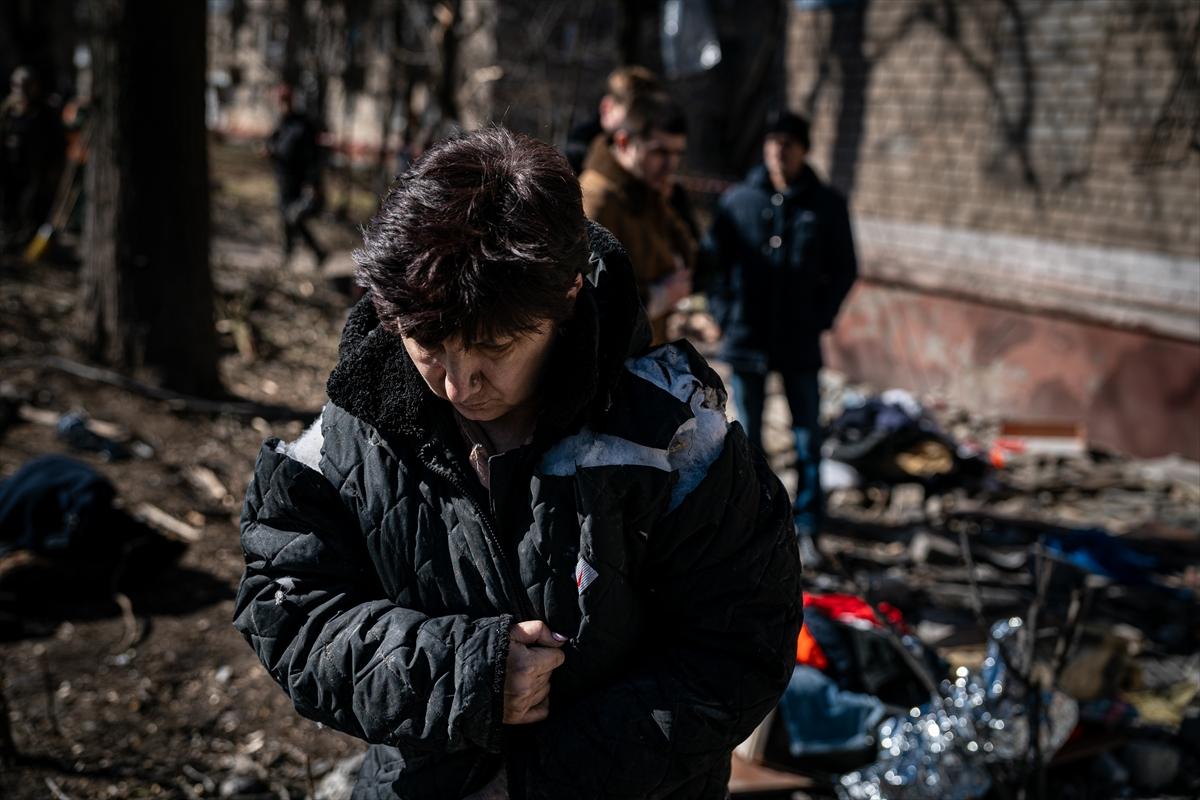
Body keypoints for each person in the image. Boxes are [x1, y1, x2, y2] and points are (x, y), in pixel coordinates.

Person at [234, 128, 802, 799]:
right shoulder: (348, 434)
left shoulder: (671, 433)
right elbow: (288, 605)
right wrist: (462, 673)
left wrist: (558, 772)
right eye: (429, 346)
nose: (458, 385)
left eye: (496, 347)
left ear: (565, 298)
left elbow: (741, 641)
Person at [703, 111, 858, 564]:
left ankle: (808, 523)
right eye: (772, 141)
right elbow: (713, 263)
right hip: (747, 336)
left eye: (788, 143)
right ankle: (758, 519)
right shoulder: (739, 201)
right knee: (749, 437)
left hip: (798, 339)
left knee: (807, 436)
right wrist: (724, 314)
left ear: (804, 149)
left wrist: (819, 315)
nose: (778, 150)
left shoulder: (825, 205)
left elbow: (844, 268)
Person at [580, 93, 696, 346]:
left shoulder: (650, 189)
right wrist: (657, 297)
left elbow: (688, 255)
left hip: (646, 350)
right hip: (613, 362)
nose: (670, 165)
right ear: (623, 142)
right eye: (659, 152)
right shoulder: (596, 198)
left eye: (677, 153)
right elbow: (589, 300)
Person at [0, 66, 64, 252]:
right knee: (9, 208)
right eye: (17, 84)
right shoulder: (7, 110)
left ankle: (31, 246)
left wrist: (53, 171)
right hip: (10, 169)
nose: (20, 89)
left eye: (26, 85)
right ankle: (11, 242)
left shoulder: (45, 113)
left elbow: (58, 145)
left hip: (36, 171)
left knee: (32, 208)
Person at [266, 84, 327, 266]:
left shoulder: (302, 125)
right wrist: (270, 150)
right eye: (279, 101)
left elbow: (311, 156)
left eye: (284, 100)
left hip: (300, 180)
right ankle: (302, 253)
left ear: (291, 100)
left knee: (293, 217)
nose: (282, 105)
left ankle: (309, 252)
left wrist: (312, 182)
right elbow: (274, 143)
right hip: (284, 178)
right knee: (287, 218)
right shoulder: (282, 123)